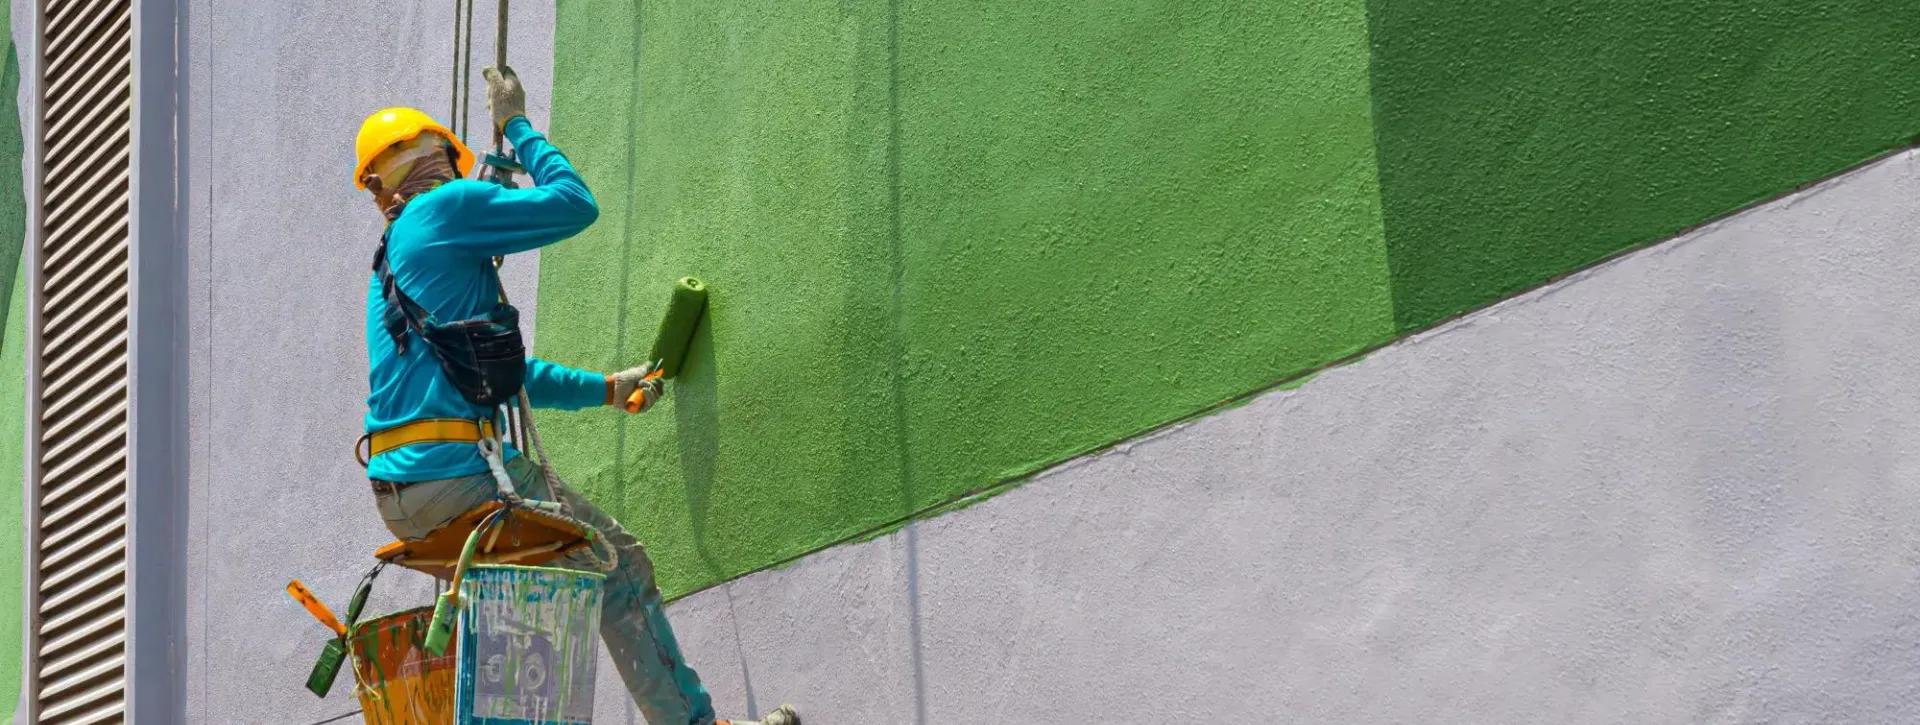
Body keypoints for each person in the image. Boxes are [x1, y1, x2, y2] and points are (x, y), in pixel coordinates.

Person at [355, 65, 799, 725]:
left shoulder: (390, 261)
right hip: (459, 477)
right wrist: (517, 126)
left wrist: (606, 390)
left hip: (403, 494)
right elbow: (574, 201)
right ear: (436, 157)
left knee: (527, 599)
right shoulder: (444, 209)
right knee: (618, 566)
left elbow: (501, 371)